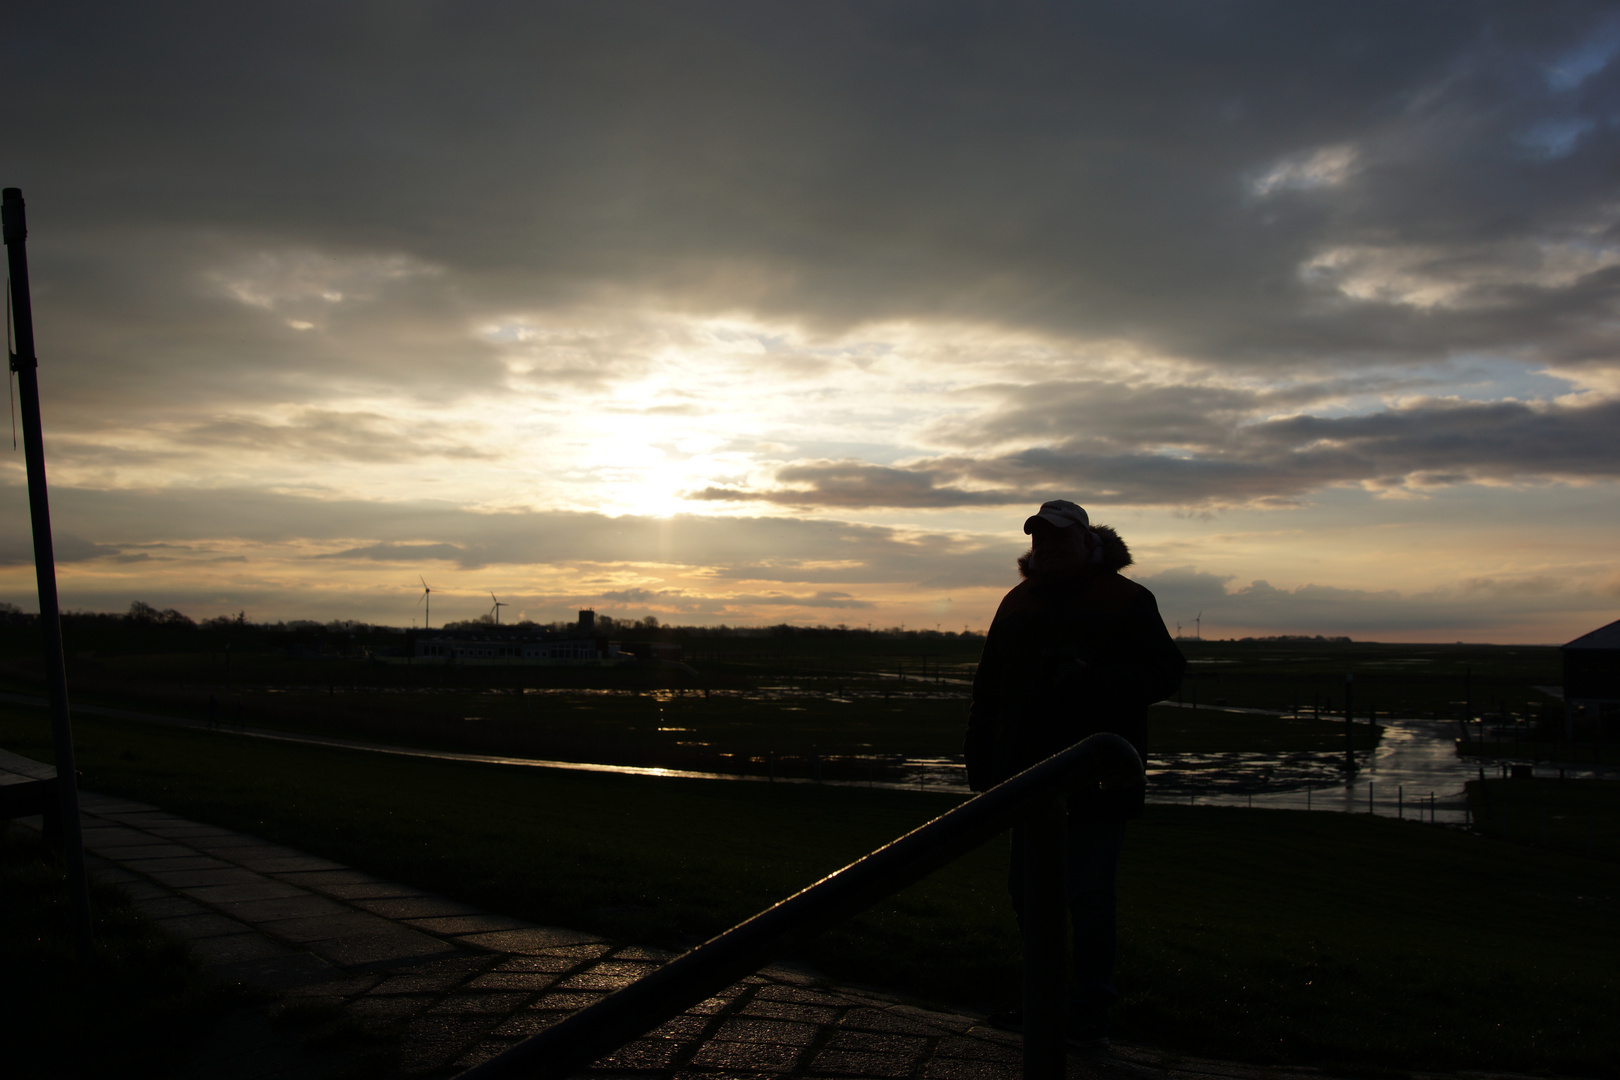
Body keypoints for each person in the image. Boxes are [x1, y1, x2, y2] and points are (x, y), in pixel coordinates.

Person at [965, 499, 1185, 1049]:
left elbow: (1166, 672)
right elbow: (988, 688)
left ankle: (1089, 1011)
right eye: (1041, 539)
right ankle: (1045, 1001)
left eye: (1061, 538)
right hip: (1024, 778)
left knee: (1088, 896)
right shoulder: (1016, 602)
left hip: (1095, 775)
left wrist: (1093, 679)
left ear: (1089, 543)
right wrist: (979, 759)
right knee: (1027, 894)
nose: (1050, 547)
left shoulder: (1126, 599)